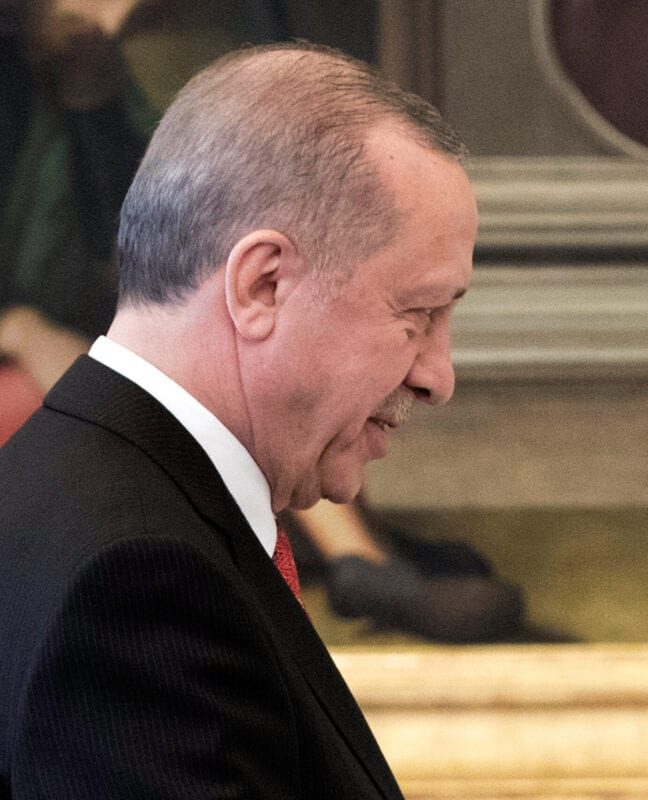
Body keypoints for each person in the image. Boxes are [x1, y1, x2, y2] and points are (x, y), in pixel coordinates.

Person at [0, 42, 477, 797]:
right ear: (262, 284)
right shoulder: (141, 580)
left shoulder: (65, 483)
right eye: (418, 314)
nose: (437, 377)